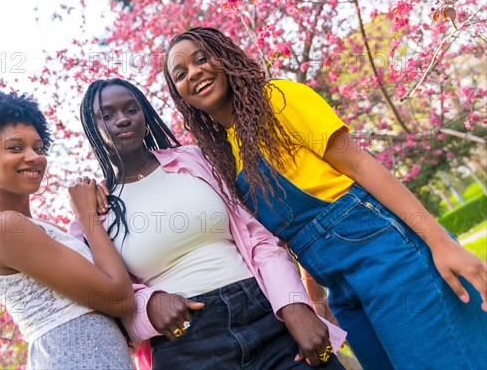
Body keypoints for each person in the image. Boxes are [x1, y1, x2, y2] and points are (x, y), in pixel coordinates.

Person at [162, 26, 487, 369]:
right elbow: (295, 232)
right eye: (181, 74)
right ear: (180, 95)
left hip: (389, 258)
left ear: (225, 58)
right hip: (343, 292)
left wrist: (440, 242)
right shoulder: (227, 155)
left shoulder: (278, 99)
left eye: (202, 59)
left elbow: (362, 166)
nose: (195, 73)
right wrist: (316, 303)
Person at [69, 78, 347, 368]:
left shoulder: (194, 160)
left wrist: (294, 306)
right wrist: (149, 306)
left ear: (145, 116)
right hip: (185, 342)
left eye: (130, 109)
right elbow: (109, 298)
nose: (123, 119)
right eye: (107, 115)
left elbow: (258, 239)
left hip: (265, 311)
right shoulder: (95, 209)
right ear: (92, 127)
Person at [0, 91, 135, 369]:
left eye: (39, 147)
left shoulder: (38, 228)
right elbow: (119, 298)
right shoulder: (4, 227)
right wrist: (86, 217)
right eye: (15, 148)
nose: (34, 157)